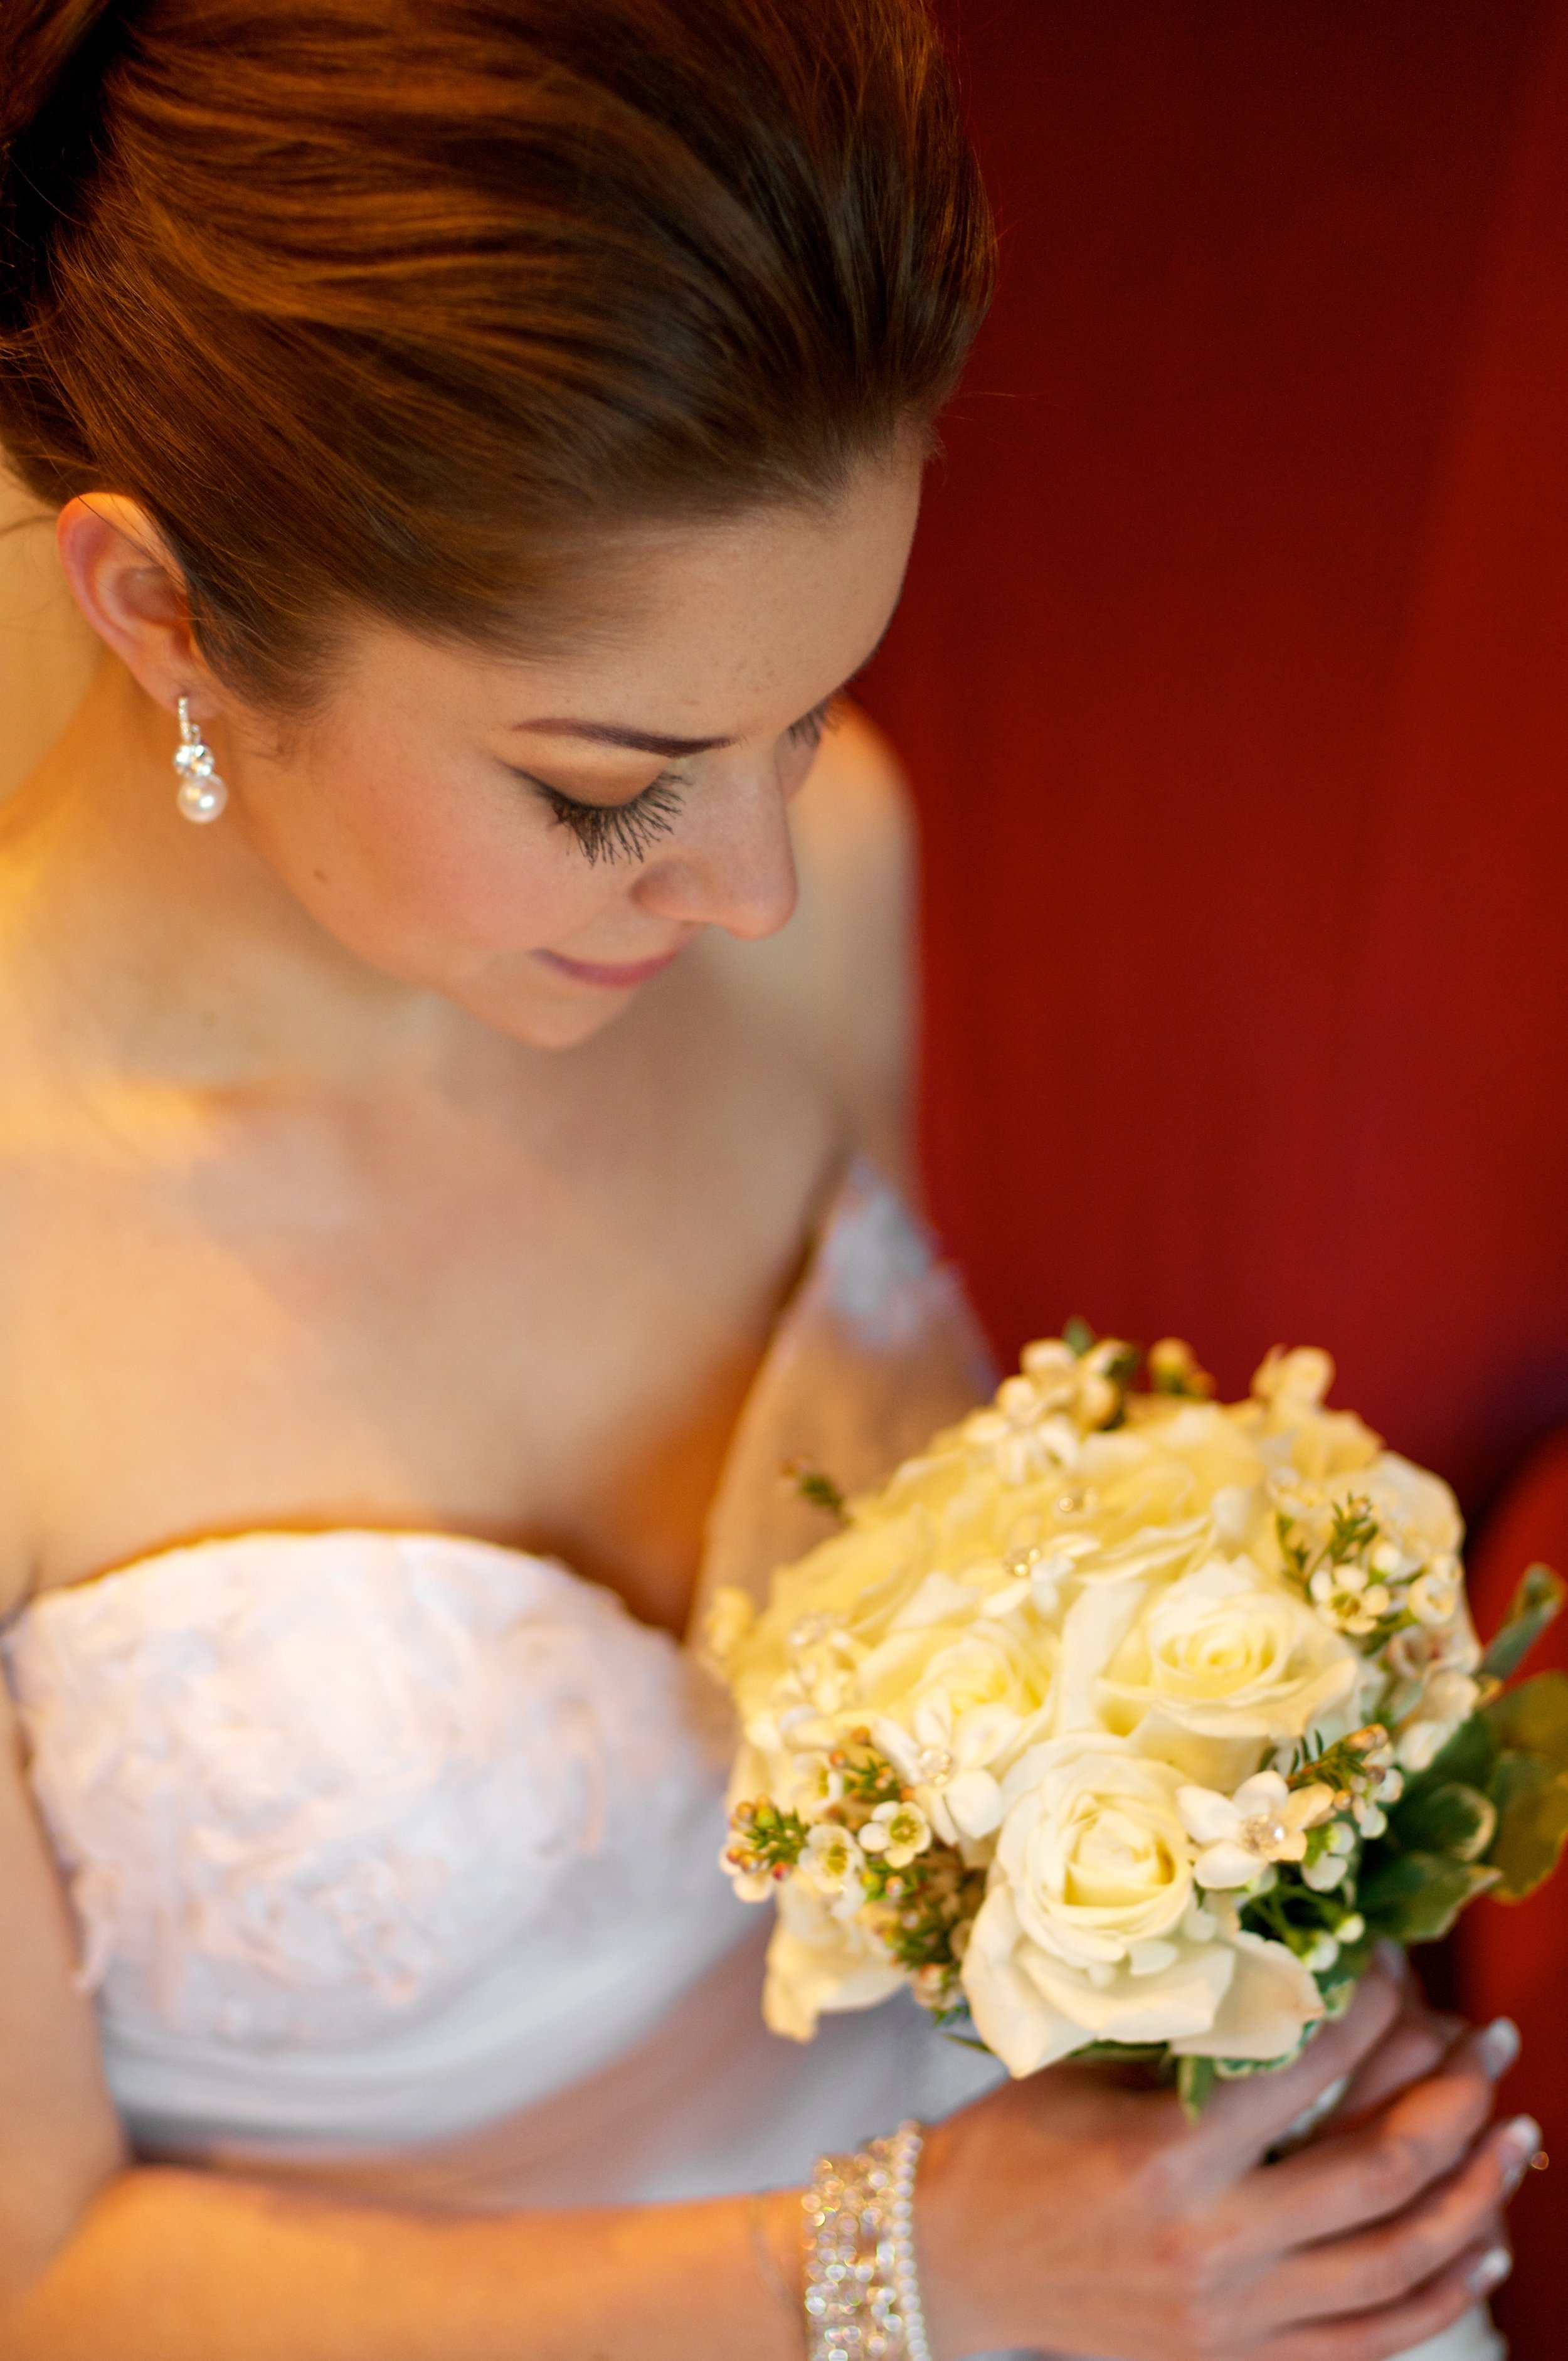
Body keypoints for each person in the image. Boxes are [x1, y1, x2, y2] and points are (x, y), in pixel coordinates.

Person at [0, 3, 1535, 2353]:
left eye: (803, 716)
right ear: (164, 609)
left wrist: (1216, 1973)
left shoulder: (825, 877)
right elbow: (41, 2272)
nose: (754, 890)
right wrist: (902, 2260)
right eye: (613, 781)